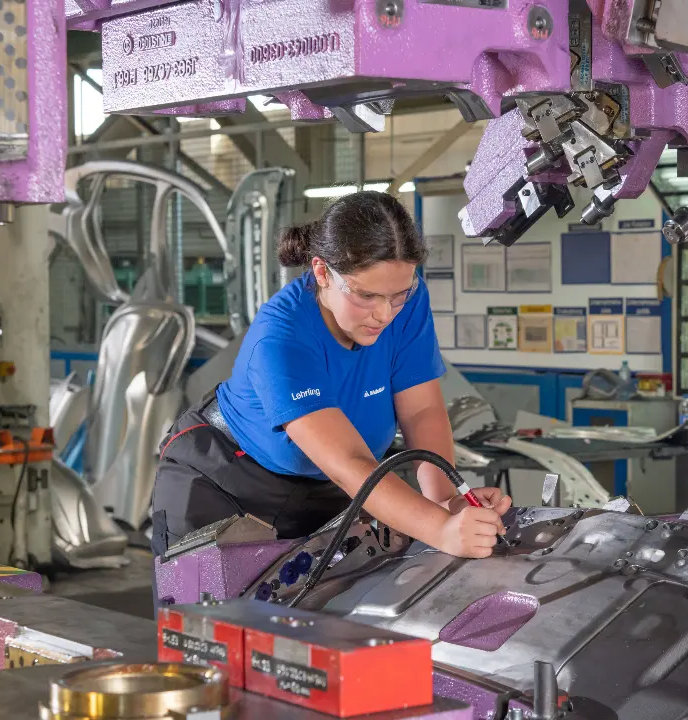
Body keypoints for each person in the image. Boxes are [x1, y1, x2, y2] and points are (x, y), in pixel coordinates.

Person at [150, 191, 512, 560]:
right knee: (226, 613)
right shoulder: (281, 338)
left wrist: (447, 502)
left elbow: (422, 412)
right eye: (366, 296)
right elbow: (349, 463)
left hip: (331, 485)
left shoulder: (408, 303)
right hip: (227, 483)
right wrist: (440, 530)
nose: (385, 314)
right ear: (322, 272)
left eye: (398, 295)